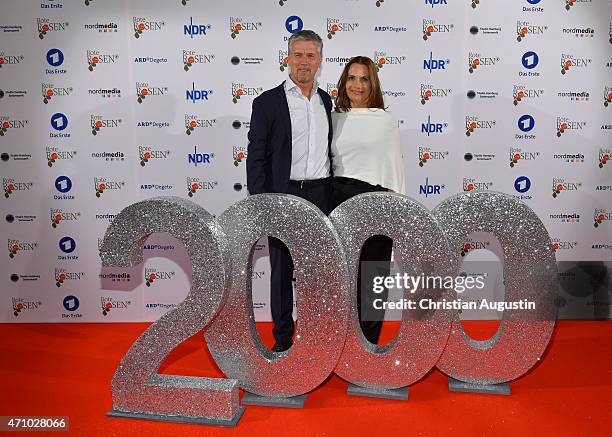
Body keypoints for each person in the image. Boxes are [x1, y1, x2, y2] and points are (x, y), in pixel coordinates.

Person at [246, 30, 334, 352]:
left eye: (311, 56)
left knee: (316, 272)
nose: (304, 62)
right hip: (283, 196)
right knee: (281, 272)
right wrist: (262, 204)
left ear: (320, 61)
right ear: (287, 58)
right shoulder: (267, 102)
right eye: (298, 55)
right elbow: (255, 158)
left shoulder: (327, 102)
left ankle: (315, 340)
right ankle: (283, 342)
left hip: (322, 196)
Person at [331, 56, 405, 345]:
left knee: (373, 277)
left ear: (372, 83)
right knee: (342, 279)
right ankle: (342, 344)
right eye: (351, 78)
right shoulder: (333, 118)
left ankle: (369, 346)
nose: (357, 85)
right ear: (343, 82)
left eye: (364, 79)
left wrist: (396, 208)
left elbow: (394, 167)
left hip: (376, 203)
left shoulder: (384, 121)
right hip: (338, 203)